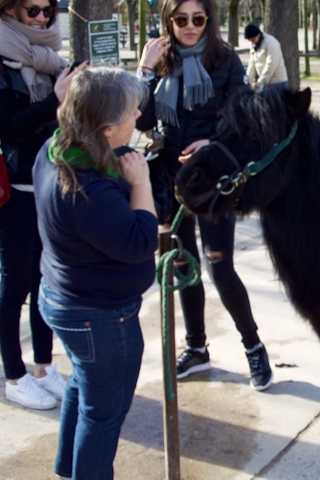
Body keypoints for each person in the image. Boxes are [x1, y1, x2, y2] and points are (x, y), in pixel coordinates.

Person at [137, 0, 273, 390]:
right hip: (171, 179)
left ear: (208, 20)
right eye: (182, 19)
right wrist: (145, 71)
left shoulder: (225, 58)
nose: (191, 26)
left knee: (220, 267)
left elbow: (244, 118)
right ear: (169, 20)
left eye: (199, 19)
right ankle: (196, 347)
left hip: (213, 179)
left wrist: (209, 143)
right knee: (184, 265)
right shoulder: (158, 56)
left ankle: (253, 346)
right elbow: (142, 118)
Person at [34, 67, 157, 480]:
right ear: (106, 129)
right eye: (130, 111)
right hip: (99, 317)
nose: (138, 114)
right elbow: (141, 241)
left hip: (64, 299)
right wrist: (141, 184)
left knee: (82, 388)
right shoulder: (87, 188)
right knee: (103, 415)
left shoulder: (54, 149)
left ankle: (68, 470)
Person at [0, 0, 74, 410]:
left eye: (49, 9)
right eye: (33, 10)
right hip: (13, 189)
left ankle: (44, 368)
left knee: (42, 280)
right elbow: (7, 127)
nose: (43, 18)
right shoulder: (2, 55)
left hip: (47, 182)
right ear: (8, 10)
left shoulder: (49, 59)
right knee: (12, 287)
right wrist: (54, 101)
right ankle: (14, 375)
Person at [244, 23, 288, 91]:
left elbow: (271, 64)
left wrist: (260, 81)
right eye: (250, 41)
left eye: (253, 40)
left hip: (278, 83)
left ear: (258, 35)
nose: (252, 43)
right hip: (266, 84)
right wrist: (247, 82)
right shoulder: (254, 45)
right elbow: (251, 65)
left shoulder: (271, 43)